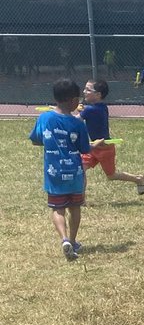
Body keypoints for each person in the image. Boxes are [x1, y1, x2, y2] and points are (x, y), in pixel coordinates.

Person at [28, 78, 92, 260]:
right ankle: (72, 240)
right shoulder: (78, 123)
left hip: (53, 173)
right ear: (72, 100)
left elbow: (35, 139)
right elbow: (84, 148)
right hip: (75, 174)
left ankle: (63, 239)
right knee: (75, 207)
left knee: (58, 209)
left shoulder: (45, 117)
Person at [79, 78, 144, 197]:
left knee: (111, 176)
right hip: (93, 146)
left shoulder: (91, 109)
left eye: (88, 89)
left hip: (104, 148)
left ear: (98, 94)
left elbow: (75, 120)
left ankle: (138, 179)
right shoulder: (101, 107)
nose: (84, 91)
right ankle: (81, 200)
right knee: (81, 169)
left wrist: (63, 112)